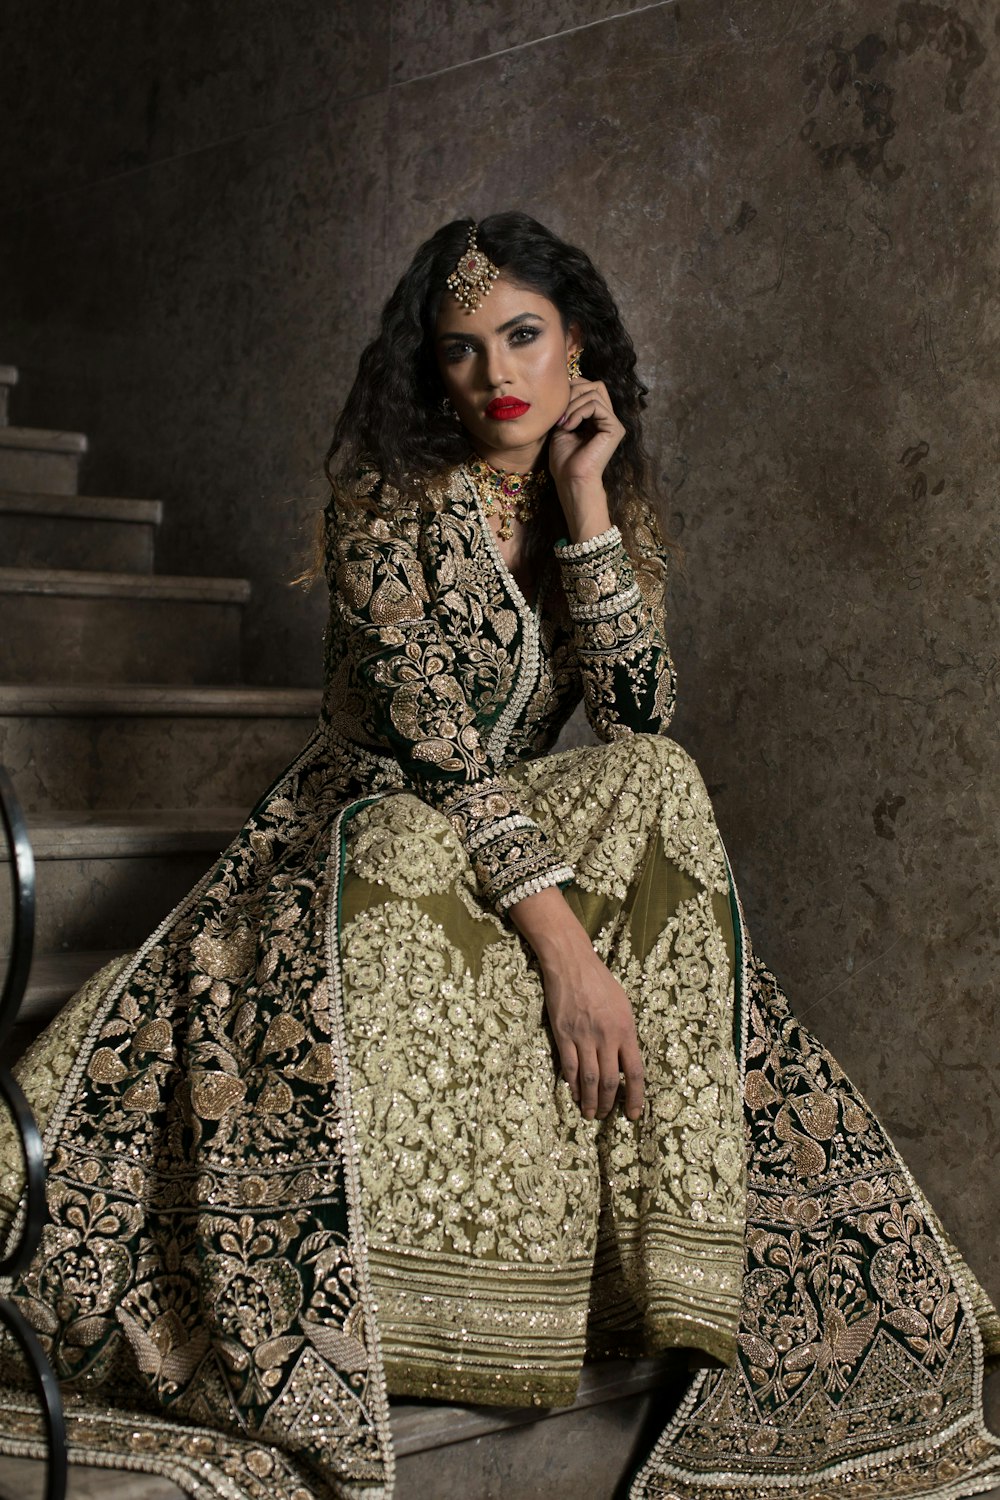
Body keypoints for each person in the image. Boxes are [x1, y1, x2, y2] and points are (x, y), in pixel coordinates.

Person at [0, 212, 997, 1500]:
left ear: (579, 341)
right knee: (442, 853)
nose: (496, 375)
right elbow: (434, 748)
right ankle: (444, 1298)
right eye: (462, 350)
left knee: (660, 779)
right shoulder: (381, 507)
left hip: (506, 820)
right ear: (432, 369)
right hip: (366, 831)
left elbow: (639, 713)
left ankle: (678, 1263)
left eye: (522, 336)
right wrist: (571, 955)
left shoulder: (594, 495)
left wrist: (586, 504)